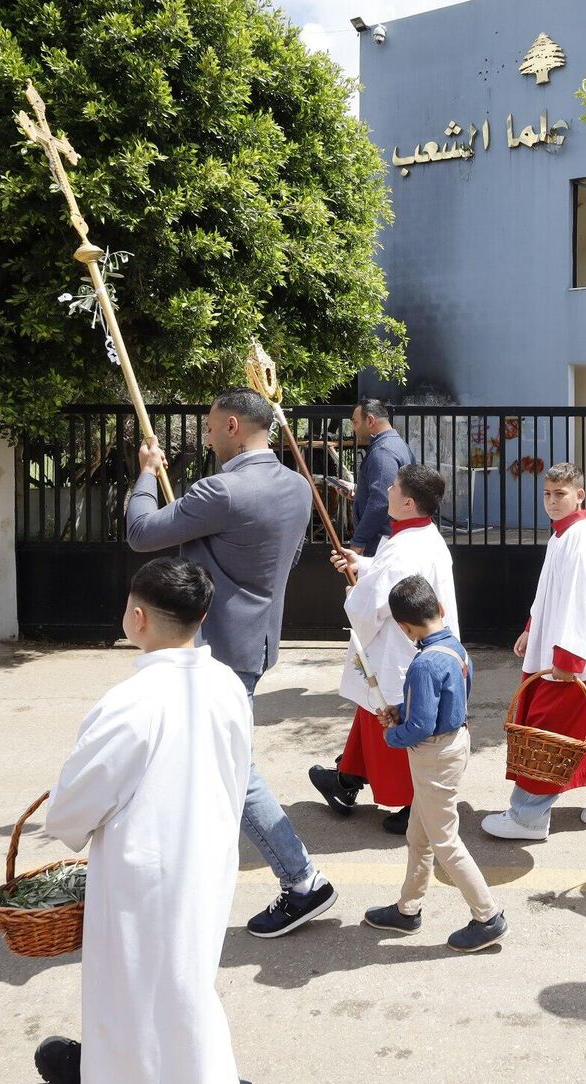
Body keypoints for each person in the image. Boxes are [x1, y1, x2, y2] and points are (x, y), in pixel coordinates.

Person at [33, 559, 256, 1084]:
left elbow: (75, 805)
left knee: (136, 991)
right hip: (209, 855)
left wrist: (66, 818)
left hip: (145, 873)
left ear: (136, 617)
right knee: (186, 981)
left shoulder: (130, 702)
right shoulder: (225, 683)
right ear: (202, 616)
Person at [126, 387, 336, 938]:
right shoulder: (296, 486)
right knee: (199, 763)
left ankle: (303, 880)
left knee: (232, 771)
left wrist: (147, 473)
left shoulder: (220, 490)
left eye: (212, 425)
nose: (207, 434)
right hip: (258, 638)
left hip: (216, 647)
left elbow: (141, 532)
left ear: (236, 426)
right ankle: (182, 874)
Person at [480, 462, 586, 841]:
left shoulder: (580, 541)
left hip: (576, 661)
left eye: (560, 494)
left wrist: (568, 660)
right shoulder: (563, 535)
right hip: (582, 657)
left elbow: (582, 604)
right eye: (547, 494)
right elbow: (550, 594)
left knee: (546, 730)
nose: (552, 502)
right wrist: (531, 628)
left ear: (579, 495)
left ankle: (528, 815)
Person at [309, 465, 461, 835]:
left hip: (399, 648)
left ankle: (414, 804)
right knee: (370, 709)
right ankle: (346, 780)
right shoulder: (420, 536)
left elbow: (377, 601)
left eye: (392, 488)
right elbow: (386, 574)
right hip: (407, 644)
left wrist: (354, 594)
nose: (387, 492)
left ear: (407, 502)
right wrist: (361, 565)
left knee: (389, 715)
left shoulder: (406, 548)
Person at [362, 574, 508, 953]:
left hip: (433, 753)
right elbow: (447, 702)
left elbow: (420, 726)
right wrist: (402, 711)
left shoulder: (423, 664)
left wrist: (393, 732)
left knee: (444, 840)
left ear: (404, 627)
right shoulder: (456, 649)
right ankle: (407, 908)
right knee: (419, 834)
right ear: (440, 609)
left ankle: (488, 916)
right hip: (454, 742)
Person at [335, 398, 414, 554]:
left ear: (370, 421)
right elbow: (391, 490)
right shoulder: (398, 445)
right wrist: (359, 492)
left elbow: (381, 500)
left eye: (355, 422)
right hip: (389, 537)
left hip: (380, 542)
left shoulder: (383, 452)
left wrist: (359, 541)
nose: (353, 429)